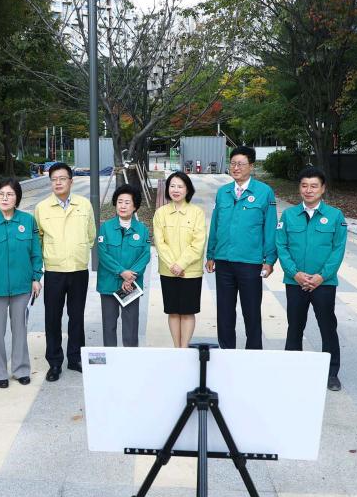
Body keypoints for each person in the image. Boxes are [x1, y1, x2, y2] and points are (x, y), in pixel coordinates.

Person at [276, 167, 348, 391]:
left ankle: (331, 373)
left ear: (323, 188)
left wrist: (321, 276)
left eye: (314, 186)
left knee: (327, 327)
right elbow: (282, 246)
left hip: (323, 284)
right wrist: (294, 273)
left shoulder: (335, 216)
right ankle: (292, 370)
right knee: (294, 326)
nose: (309, 190)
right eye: (304, 185)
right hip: (294, 282)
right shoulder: (288, 215)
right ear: (299, 188)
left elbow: (338, 250)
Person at [206, 145, 278, 350]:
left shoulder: (264, 192)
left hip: (250, 262)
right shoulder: (223, 192)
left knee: (251, 311)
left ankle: (253, 354)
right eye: (233, 163)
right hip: (224, 261)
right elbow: (215, 224)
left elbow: (270, 227)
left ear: (251, 167)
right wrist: (211, 254)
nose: (236, 168)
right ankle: (226, 353)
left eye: (241, 164)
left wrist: (269, 260)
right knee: (225, 312)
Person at [0, 179, 43, 388]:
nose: (5, 198)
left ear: (17, 198)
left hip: (22, 286)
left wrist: (36, 278)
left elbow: (36, 252)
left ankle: (21, 369)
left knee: (20, 329)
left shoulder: (28, 220)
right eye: (1, 194)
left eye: (10, 194)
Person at [34, 162, 96, 382]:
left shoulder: (84, 205)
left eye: (62, 178)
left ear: (71, 180)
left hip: (78, 269)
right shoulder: (42, 208)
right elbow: (38, 238)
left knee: (76, 316)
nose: (58, 183)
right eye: (54, 179)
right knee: (53, 317)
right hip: (54, 270)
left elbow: (91, 235)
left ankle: (76, 357)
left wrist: (78, 251)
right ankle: (54, 361)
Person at [153, 171, 206, 348]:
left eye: (180, 186)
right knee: (173, 311)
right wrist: (173, 265)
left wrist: (181, 264)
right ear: (168, 189)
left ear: (188, 189)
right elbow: (159, 242)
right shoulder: (160, 213)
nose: (175, 190)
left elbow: (198, 243)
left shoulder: (197, 213)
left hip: (190, 272)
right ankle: (177, 348)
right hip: (168, 271)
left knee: (188, 312)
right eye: (172, 186)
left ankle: (184, 348)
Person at [96, 184, 151, 347]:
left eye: (127, 202)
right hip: (108, 284)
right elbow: (102, 253)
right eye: (120, 201)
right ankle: (111, 362)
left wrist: (130, 276)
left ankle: (130, 361)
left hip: (131, 285)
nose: (123, 206)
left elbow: (145, 255)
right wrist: (121, 272)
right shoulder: (105, 227)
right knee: (109, 325)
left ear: (135, 206)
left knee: (130, 326)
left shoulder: (142, 229)